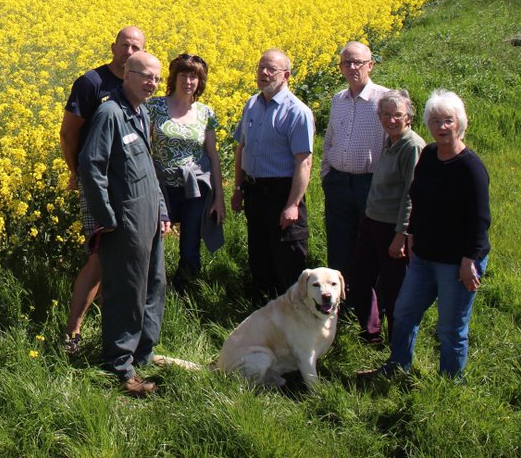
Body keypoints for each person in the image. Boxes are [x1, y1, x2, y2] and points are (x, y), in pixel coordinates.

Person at [361, 90, 491, 380]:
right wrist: (410, 234)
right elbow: (416, 196)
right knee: (404, 313)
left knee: (450, 328)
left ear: (460, 123)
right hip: (423, 258)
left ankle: (448, 387)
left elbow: (480, 220)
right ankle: (397, 367)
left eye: (448, 121)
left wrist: (469, 261)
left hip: (456, 263)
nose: (442, 127)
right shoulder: (430, 155)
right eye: (435, 121)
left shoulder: (471, 167)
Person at [78, 51, 171, 397]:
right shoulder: (109, 113)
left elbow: (147, 168)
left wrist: (161, 210)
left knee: (153, 286)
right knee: (127, 292)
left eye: (157, 79)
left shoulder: (141, 111)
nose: (152, 84)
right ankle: (119, 368)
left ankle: (142, 354)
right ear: (127, 75)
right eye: (146, 76)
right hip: (125, 221)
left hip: (148, 214)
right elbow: (90, 166)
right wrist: (105, 218)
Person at [59, 26, 145, 353]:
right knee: (99, 257)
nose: (128, 50)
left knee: (120, 256)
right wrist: (76, 172)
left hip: (129, 186)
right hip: (99, 184)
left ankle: (110, 326)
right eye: (124, 44)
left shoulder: (136, 85)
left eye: (135, 46)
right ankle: (73, 333)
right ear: (113, 47)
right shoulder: (92, 83)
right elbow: (69, 134)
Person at [231, 49, 315, 300]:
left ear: (286, 75)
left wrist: (293, 205)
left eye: (271, 69)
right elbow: (241, 149)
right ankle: (262, 313)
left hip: (282, 192)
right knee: (259, 253)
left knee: (287, 257)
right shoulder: (252, 104)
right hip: (255, 191)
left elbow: (304, 162)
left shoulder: (297, 111)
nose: (264, 74)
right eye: (261, 68)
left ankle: (294, 315)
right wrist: (238, 189)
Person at [348, 89, 424, 344]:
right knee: (360, 277)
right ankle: (371, 332)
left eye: (398, 115)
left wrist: (401, 235)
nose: (391, 120)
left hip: (392, 227)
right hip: (372, 221)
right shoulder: (389, 142)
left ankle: (398, 345)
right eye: (386, 114)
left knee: (395, 288)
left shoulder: (411, 146)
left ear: (409, 118)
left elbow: (411, 195)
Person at [321, 41, 388, 334]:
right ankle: (341, 311)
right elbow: (330, 139)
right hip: (338, 182)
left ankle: (371, 317)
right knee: (339, 249)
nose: (352, 68)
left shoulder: (384, 100)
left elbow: (395, 146)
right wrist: (326, 174)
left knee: (369, 253)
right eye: (346, 63)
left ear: (370, 65)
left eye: (358, 62)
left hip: (369, 185)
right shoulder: (338, 99)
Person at [146, 53, 225, 294]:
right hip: (160, 186)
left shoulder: (205, 113)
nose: (188, 81)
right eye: (184, 75)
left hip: (195, 187)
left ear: (200, 82)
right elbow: (143, 147)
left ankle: (186, 293)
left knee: (190, 244)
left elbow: (212, 156)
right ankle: (152, 290)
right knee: (153, 240)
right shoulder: (154, 107)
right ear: (174, 77)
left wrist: (219, 199)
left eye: (194, 77)